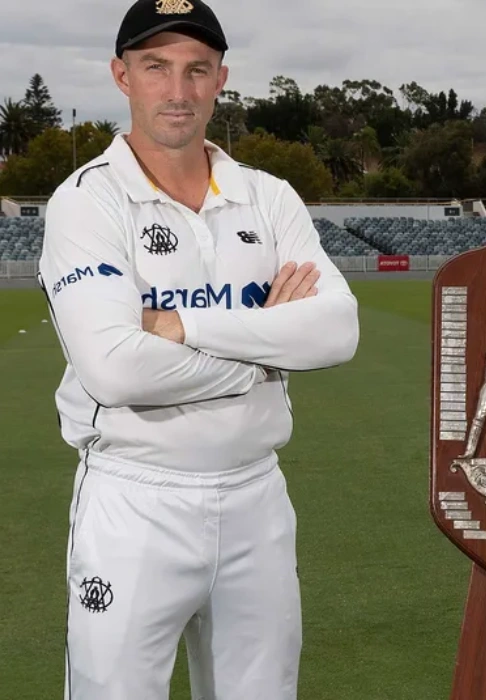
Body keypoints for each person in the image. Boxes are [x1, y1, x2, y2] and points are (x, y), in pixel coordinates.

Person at [38, 1, 359, 698]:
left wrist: (184, 329)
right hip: (136, 501)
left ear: (221, 80)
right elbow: (115, 368)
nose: (178, 91)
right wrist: (267, 354)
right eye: (157, 68)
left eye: (196, 70)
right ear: (122, 76)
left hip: (255, 498)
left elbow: (337, 332)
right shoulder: (88, 201)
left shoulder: (268, 198)